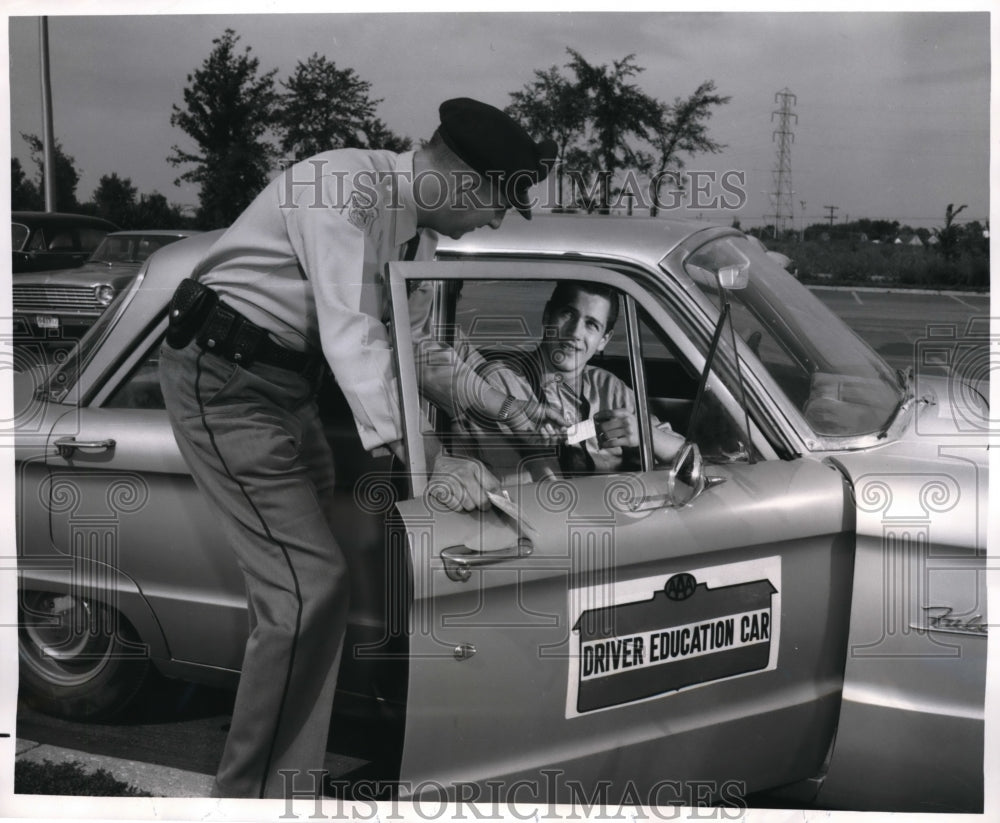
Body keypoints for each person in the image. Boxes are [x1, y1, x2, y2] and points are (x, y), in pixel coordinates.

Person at [158, 97, 558, 799]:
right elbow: (355, 335)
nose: (493, 221)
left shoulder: (420, 239)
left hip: (287, 392)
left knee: (307, 598)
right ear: (462, 182)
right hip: (223, 380)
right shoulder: (342, 186)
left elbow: (419, 350)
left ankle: (288, 789)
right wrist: (428, 458)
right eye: (497, 204)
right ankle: (249, 798)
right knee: (307, 592)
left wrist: (505, 405)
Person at [424, 280, 685, 482]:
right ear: (547, 315)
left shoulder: (610, 389)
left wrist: (644, 435)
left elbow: (688, 458)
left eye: (592, 324)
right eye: (568, 315)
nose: (574, 333)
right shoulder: (500, 382)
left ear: (604, 339)